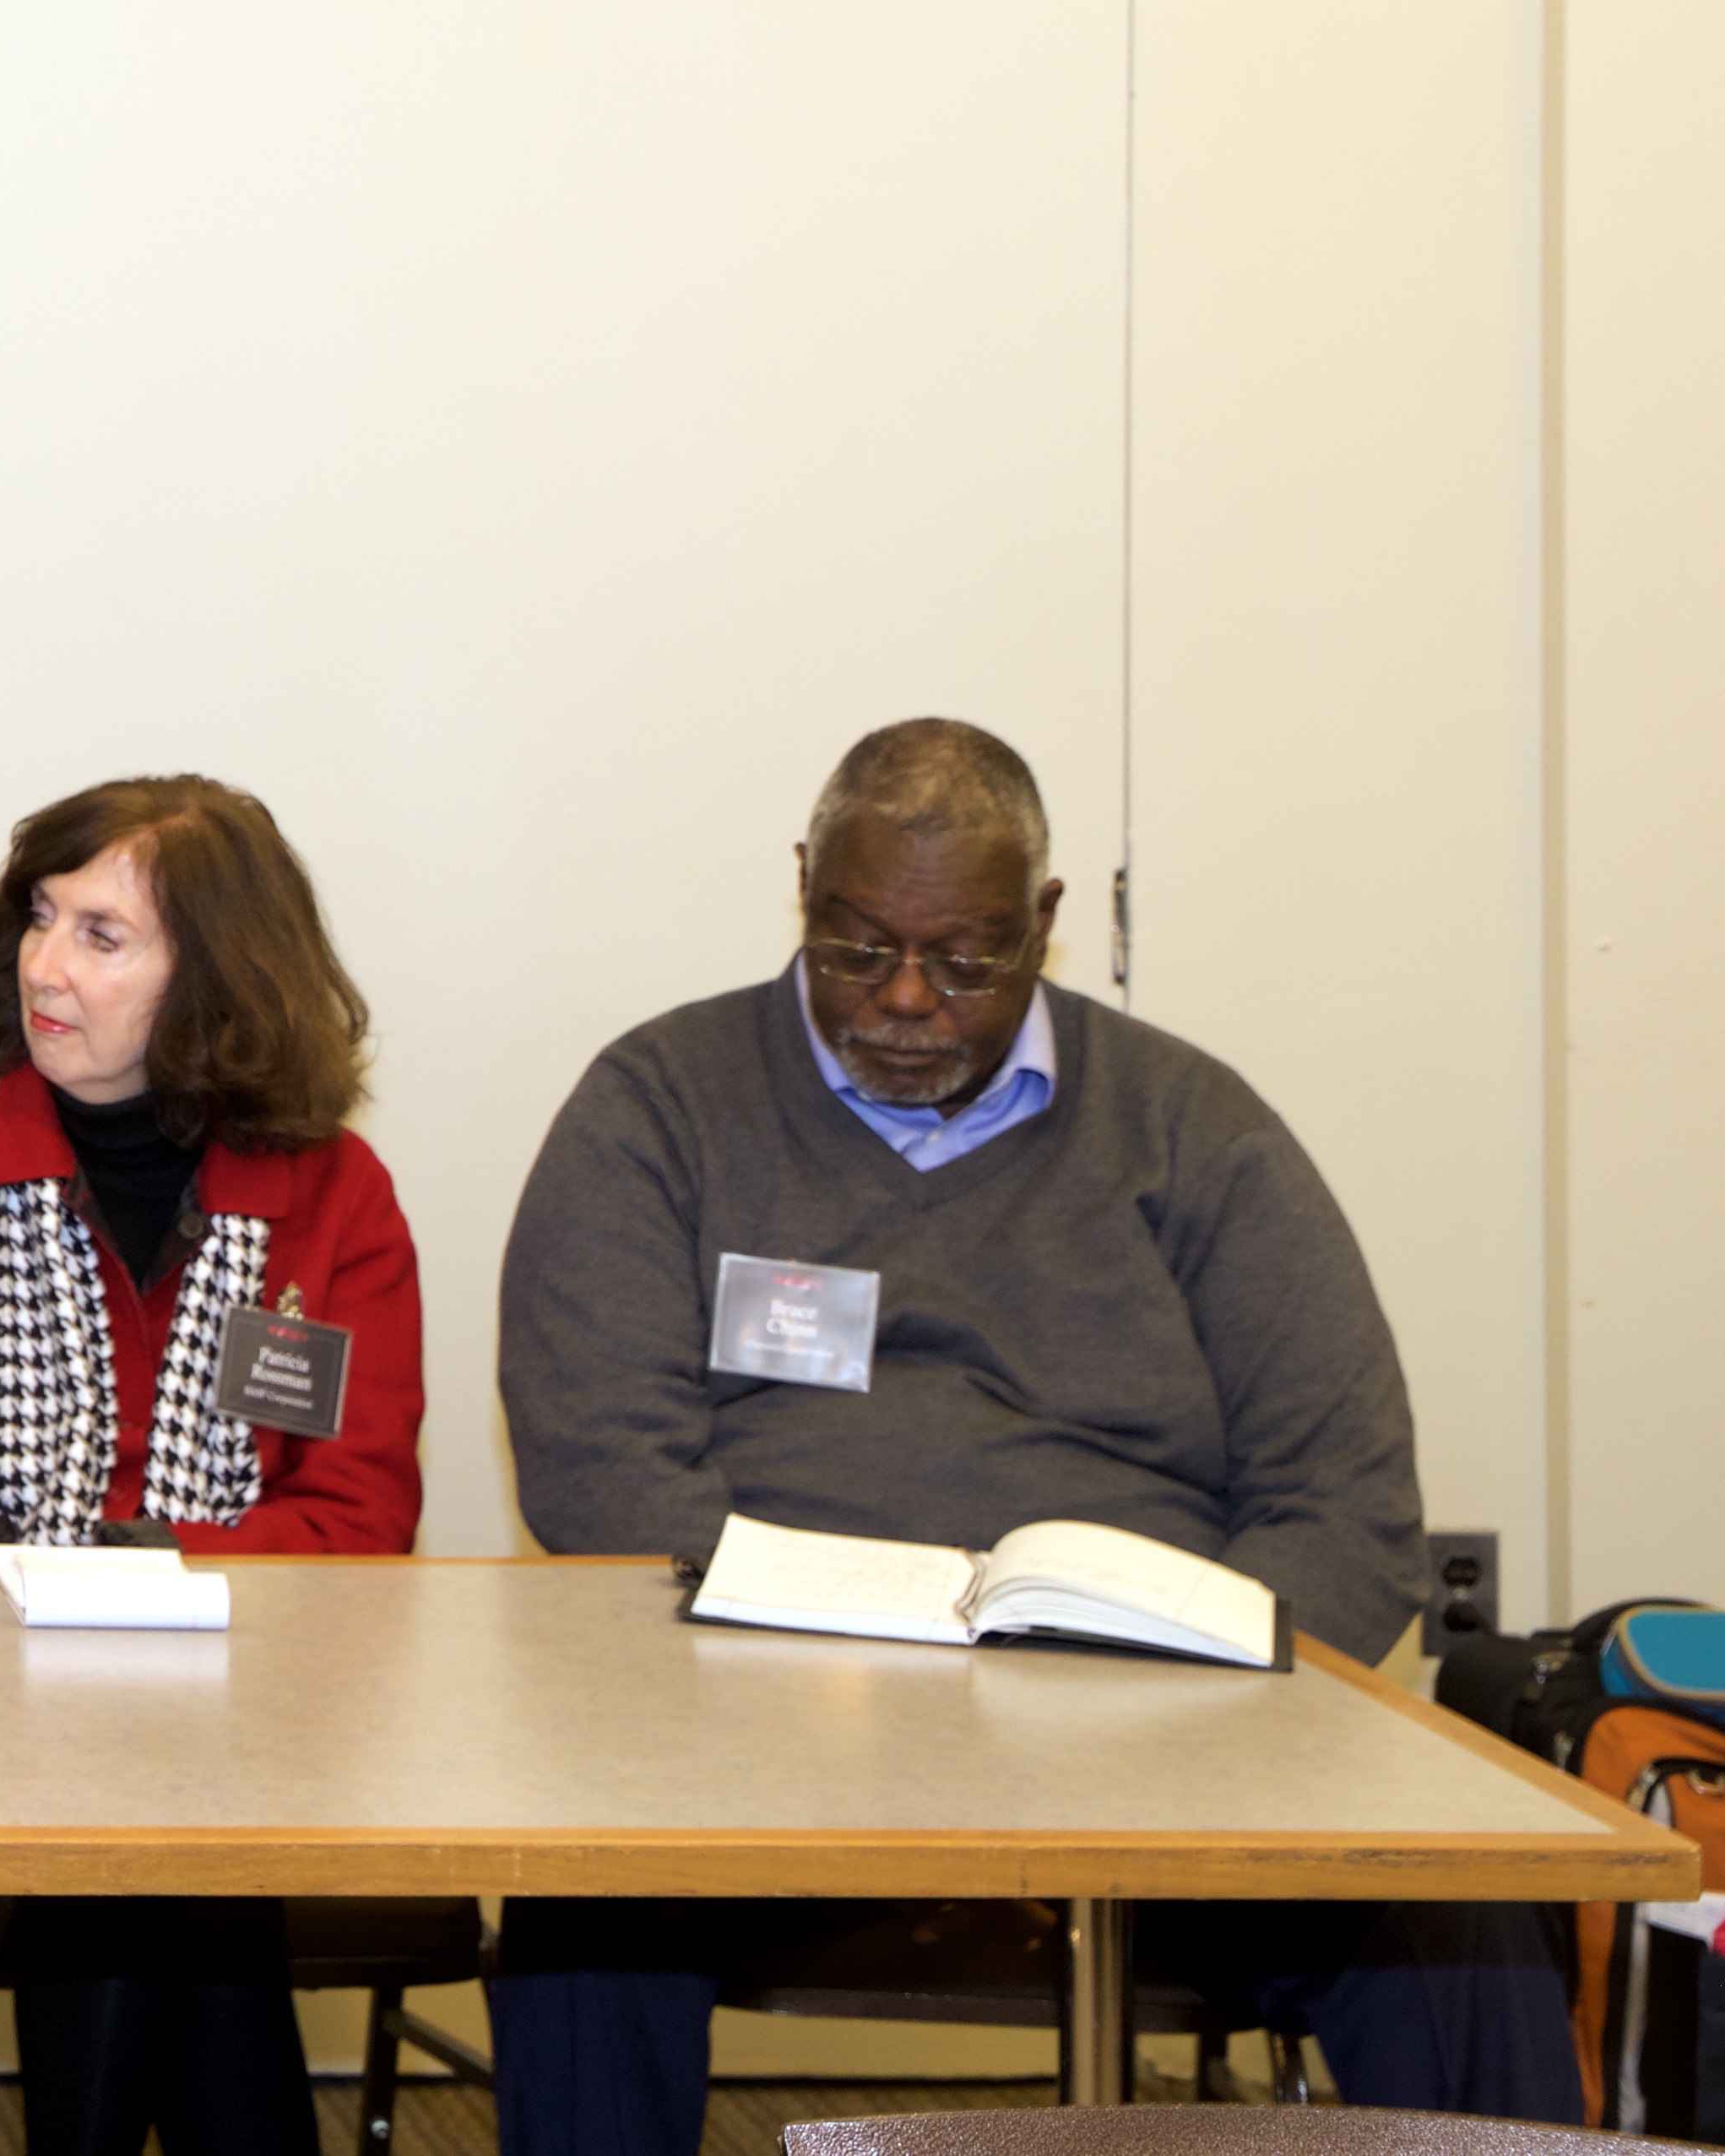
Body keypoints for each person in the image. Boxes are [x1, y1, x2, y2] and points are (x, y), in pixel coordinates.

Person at [491, 715, 1569, 2156]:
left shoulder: (1196, 1130)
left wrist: (1189, 1684)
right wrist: (845, 1688)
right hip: (759, 1730)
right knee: (586, 1889)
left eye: (970, 957)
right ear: (804, 887)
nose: (910, 999)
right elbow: (599, 1461)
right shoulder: (660, 1106)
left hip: (1153, 1726)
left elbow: (1345, 1492)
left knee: (1453, 1898)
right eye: (859, 947)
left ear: (1046, 925)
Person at [0, 774, 417, 2156]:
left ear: (218, 979)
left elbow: (361, 1521)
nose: (45, 964)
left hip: (264, 1716)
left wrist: (138, 1583)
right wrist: (44, 1596)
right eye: (40, 918)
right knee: (148, 1837)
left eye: (103, 935)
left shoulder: (333, 1195)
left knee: (155, 1821)